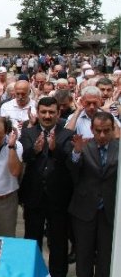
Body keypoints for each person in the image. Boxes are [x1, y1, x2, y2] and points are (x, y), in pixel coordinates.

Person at [19, 97, 74, 277]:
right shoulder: (28, 133)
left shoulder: (67, 134)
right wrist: (35, 150)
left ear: (58, 113)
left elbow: (68, 160)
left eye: (51, 112)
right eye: (43, 112)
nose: (47, 116)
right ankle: (32, 272)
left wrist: (54, 148)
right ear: (38, 112)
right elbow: (25, 157)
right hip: (33, 196)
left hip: (58, 198)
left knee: (58, 241)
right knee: (32, 240)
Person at [68, 112, 119, 277]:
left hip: (109, 212)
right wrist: (76, 153)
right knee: (84, 255)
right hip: (84, 211)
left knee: (106, 256)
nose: (102, 135)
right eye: (98, 131)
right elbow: (73, 175)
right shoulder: (83, 147)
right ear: (91, 129)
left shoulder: (118, 148)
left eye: (106, 130)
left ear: (113, 129)